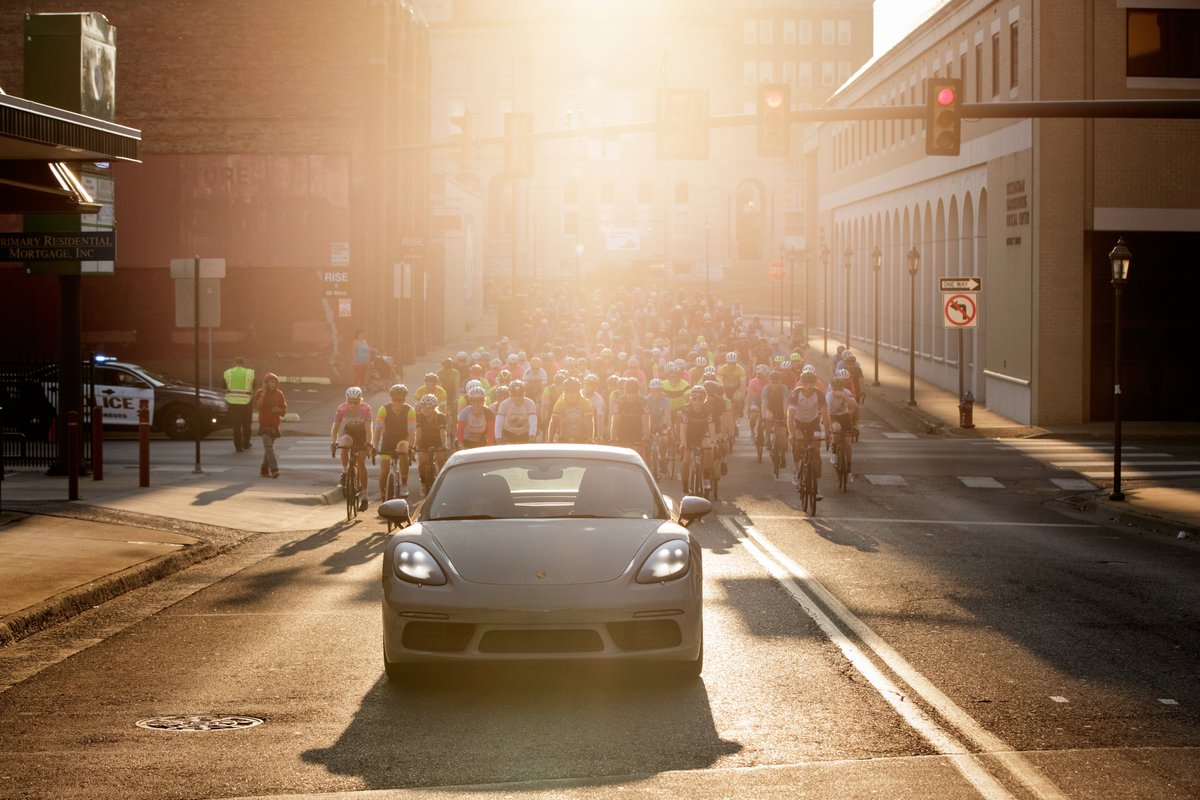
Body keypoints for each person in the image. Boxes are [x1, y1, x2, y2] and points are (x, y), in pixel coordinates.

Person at [787, 366, 832, 500]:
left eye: (811, 383)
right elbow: (790, 417)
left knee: (816, 450)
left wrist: (828, 432)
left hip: (813, 423)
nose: (809, 386)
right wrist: (792, 434)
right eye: (806, 383)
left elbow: (825, 415)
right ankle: (796, 471)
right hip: (798, 423)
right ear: (802, 383)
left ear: (814, 383)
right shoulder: (795, 394)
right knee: (798, 444)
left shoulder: (819, 394)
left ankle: (816, 485)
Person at [331, 386, 373, 512]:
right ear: (346, 400)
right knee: (344, 444)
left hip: (362, 434)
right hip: (349, 431)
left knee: (360, 463)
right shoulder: (342, 409)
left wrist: (368, 443)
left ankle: (364, 497)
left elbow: (368, 428)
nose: (353, 405)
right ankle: (345, 471)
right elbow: (335, 428)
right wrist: (333, 442)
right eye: (350, 402)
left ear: (361, 400)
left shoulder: (365, 409)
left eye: (356, 402)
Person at [373, 383, 414, 499]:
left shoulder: (410, 410)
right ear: (391, 399)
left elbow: (412, 432)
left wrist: (411, 447)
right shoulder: (383, 409)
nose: (398, 403)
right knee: (384, 471)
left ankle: (404, 483)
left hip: (402, 439)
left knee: (403, 450)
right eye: (395, 400)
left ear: (405, 399)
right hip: (388, 440)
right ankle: (383, 496)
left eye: (401, 400)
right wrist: (374, 446)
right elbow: (378, 430)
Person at [678, 385, 715, 494]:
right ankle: (685, 485)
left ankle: (706, 478)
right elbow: (683, 428)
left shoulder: (708, 409)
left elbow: (711, 426)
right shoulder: (686, 409)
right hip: (689, 436)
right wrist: (683, 443)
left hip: (703, 434)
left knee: (708, 448)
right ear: (691, 399)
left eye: (701, 399)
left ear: (705, 399)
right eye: (695, 399)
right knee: (686, 461)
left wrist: (713, 441)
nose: (698, 402)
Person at [826, 369, 860, 481]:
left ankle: (849, 470)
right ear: (832, 388)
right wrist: (828, 425)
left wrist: (844, 397)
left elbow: (855, 406)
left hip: (844, 416)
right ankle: (834, 451)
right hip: (833, 416)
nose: (837, 391)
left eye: (840, 388)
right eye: (835, 389)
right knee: (836, 428)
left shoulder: (846, 393)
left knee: (848, 445)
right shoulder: (829, 396)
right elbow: (826, 412)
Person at [251, 372, 286, 478]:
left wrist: (278, 410)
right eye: (271, 382)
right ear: (266, 383)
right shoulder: (260, 392)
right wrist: (263, 393)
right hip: (264, 425)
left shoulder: (279, 394)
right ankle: (274, 469)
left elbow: (284, 411)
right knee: (269, 448)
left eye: (275, 382)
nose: (273, 384)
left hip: (274, 425)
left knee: (268, 449)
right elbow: (257, 406)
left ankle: (264, 468)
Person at [412, 394, 448, 493]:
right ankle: (423, 482)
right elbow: (418, 433)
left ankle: (442, 481)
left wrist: (444, 445)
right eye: (423, 406)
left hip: (437, 441)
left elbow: (443, 433)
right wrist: (414, 446)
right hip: (424, 441)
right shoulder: (419, 417)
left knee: (440, 459)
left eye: (428, 407)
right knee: (422, 461)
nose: (425, 409)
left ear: (434, 407)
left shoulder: (441, 417)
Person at [610, 377, 650, 460]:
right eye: (629, 392)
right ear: (625, 391)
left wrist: (646, 439)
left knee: (643, 456)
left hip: (638, 431)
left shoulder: (643, 401)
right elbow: (615, 424)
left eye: (634, 392)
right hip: (623, 431)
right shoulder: (619, 402)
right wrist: (613, 440)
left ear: (638, 391)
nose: (631, 395)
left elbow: (645, 423)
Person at [223, 356, 256, 452]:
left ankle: (238, 446)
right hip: (246, 402)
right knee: (247, 424)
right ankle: (246, 443)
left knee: (236, 425)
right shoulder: (250, 373)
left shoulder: (228, 373)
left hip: (233, 403)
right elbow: (254, 386)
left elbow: (224, 386)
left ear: (235, 363)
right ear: (243, 364)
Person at [549, 377, 595, 443]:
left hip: (581, 439)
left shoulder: (586, 403)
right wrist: (550, 439)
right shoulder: (560, 403)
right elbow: (554, 422)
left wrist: (590, 438)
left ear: (578, 392)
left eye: (574, 391)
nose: (571, 394)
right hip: (563, 439)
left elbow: (589, 422)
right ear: (564, 392)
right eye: (568, 392)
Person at [495, 379, 538, 444]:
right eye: (514, 395)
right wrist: (498, 438)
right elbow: (498, 423)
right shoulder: (504, 404)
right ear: (510, 394)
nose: (517, 397)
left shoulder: (530, 403)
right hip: (508, 434)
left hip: (525, 434)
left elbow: (533, 423)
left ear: (524, 393)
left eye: (520, 395)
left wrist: (532, 437)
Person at [457, 384, 496, 449]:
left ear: (484, 401)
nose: (476, 404)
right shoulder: (465, 412)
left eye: (480, 400)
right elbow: (459, 431)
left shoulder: (489, 413)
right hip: (465, 441)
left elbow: (490, 434)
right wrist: (461, 445)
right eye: (473, 401)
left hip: (481, 442)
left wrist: (490, 446)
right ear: (470, 402)